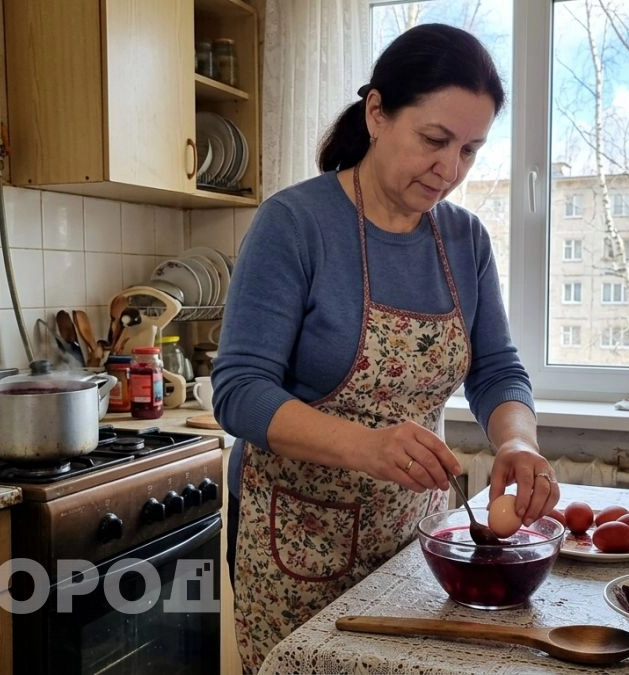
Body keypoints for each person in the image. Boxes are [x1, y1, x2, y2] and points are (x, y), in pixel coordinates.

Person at [212, 23, 561, 672]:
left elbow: (497, 369)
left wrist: (518, 442)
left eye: (470, 150)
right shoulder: (294, 224)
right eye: (434, 140)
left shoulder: (464, 240)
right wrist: (369, 446)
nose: (450, 169)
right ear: (377, 113)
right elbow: (239, 392)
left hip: (413, 540)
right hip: (295, 542)